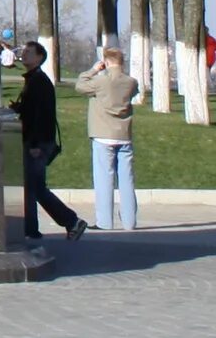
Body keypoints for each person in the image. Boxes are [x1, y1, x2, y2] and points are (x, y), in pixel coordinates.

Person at [12, 41, 85, 245]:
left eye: (29, 52)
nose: (24, 55)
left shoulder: (39, 81)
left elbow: (42, 115)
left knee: (36, 187)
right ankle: (31, 230)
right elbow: (32, 110)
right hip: (35, 141)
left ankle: (72, 221)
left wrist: (35, 144)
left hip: (37, 143)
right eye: (24, 52)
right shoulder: (34, 79)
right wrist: (19, 108)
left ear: (39, 58)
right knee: (31, 187)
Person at [76, 43, 139, 232]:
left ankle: (105, 221)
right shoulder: (131, 82)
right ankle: (129, 222)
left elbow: (80, 85)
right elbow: (133, 93)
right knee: (127, 180)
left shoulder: (101, 82)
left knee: (104, 179)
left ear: (105, 61)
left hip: (103, 135)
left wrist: (94, 70)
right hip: (124, 135)